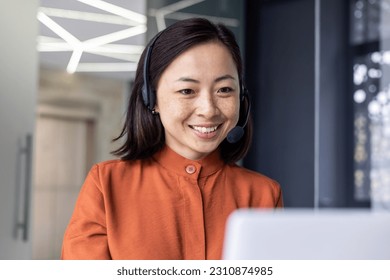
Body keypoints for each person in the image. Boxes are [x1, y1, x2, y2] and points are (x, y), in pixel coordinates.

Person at [61, 17, 283, 260]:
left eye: (224, 90)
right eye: (187, 91)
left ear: (242, 98)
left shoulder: (263, 194)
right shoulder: (107, 184)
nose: (208, 109)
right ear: (151, 99)